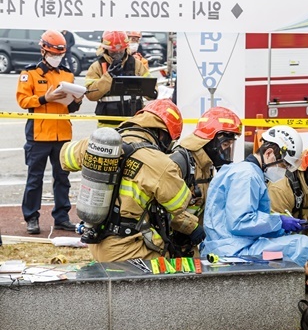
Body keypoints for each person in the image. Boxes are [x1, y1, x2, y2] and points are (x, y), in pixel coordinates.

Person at [60, 99, 204, 262]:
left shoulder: (104, 143)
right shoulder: (159, 163)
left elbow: (65, 158)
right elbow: (179, 204)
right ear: (162, 135)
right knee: (173, 265)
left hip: (97, 240)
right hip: (129, 250)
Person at [200, 125, 308, 266]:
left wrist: (282, 227)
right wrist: (279, 222)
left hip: (233, 245)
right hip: (234, 251)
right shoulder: (247, 175)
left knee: (294, 242)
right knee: (300, 244)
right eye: (283, 166)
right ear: (269, 153)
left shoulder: (245, 171)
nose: (283, 172)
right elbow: (240, 222)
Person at [16, 30, 83, 235]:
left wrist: (77, 101)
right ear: (43, 51)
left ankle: (62, 217)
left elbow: (69, 108)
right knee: (35, 178)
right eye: (54, 54)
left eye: (60, 55)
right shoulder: (30, 74)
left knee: (62, 178)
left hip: (62, 134)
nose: (57, 58)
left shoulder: (67, 74)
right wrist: (46, 98)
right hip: (38, 135)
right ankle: (31, 218)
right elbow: (23, 101)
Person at [169, 106, 242, 253]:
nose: (227, 152)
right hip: (168, 246)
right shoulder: (178, 163)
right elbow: (164, 207)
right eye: (225, 145)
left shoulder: (206, 165)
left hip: (188, 246)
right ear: (211, 141)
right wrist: (193, 227)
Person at [84, 31, 157, 128]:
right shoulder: (97, 67)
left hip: (134, 124)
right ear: (105, 49)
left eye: (121, 50)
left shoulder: (136, 64)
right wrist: (108, 77)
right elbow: (90, 94)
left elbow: (152, 90)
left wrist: (149, 91)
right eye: (113, 51)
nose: (118, 53)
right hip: (107, 126)